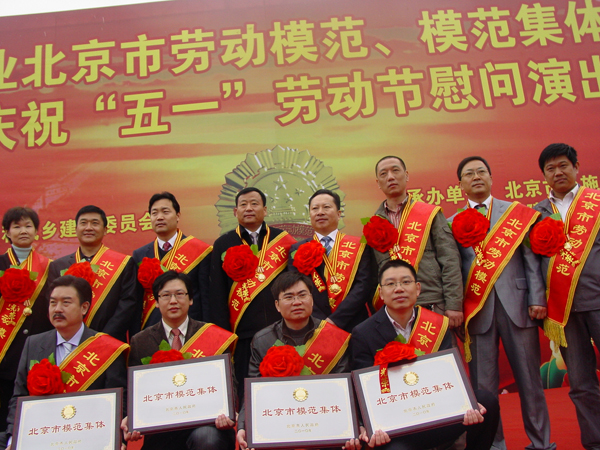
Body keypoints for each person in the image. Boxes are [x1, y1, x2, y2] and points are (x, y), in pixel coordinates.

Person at [449, 156, 554, 450]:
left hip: (519, 308)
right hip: (477, 312)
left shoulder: (517, 214)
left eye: (481, 171)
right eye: (469, 174)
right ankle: (495, 445)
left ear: (491, 177)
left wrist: (537, 297)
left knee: (530, 382)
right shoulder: (451, 223)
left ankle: (541, 443)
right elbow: (454, 271)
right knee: (484, 389)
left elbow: (531, 259)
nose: (476, 177)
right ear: (460, 184)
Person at [351, 259, 499, 450]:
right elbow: (364, 390)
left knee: (486, 402)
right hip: (396, 424)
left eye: (406, 282)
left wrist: (466, 403)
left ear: (418, 288)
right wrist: (370, 425)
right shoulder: (363, 333)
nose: (399, 289)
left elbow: (449, 376)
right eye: (391, 284)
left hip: (436, 412)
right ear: (381, 292)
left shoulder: (437, 324)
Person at [4, 275, 129, 449]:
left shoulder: (107, 348)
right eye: (53, 303)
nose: (57, 309)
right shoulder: (33, 344)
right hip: (43, 436)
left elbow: (118, 403)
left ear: (84, 307)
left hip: (89, 438)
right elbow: (18, 398)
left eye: (66, 303)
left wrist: (117, 440)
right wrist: (13, 440)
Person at [236, 271, 353, 450]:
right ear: (277, 305)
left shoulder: (334, 337)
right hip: (281, 421)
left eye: (302, 295)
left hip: (323, 420)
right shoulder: (262, 340)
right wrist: (243, 426)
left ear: (312, 300)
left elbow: (342, 391)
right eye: (289, 297)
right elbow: (253, 391)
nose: (297, 302)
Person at [123, 271, 237, 450]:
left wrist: (228, 411)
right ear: (156, 302)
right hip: (162, 429)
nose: (173, 301)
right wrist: (132, 418)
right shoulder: (140, 342)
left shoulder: (212, 336)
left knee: (206, 438)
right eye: (166, 295)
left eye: (179, 294)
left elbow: (230, 384)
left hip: (207, 425)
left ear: (191, 299)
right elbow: (135, 391)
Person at [534, 143, 600, 450]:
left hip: (598, 300)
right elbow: (533, 263)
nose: (558, 172)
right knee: (581, 383)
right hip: (564, 312)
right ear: (544, 175)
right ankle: (595, 441)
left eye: (563, 165)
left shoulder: (595, 203)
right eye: (551, 168)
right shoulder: (537, 213)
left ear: (576, 168)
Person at [209, 187, 296, 403]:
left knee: (286, 387)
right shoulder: (223, 243)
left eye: (254, 203)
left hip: (281, 330)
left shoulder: (283, 240)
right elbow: (217, 294)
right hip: (243, 333)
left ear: (265, 210)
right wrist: (224, 336)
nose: (249, 208)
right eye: (243, 204)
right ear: (235, 211)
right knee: (248, 392)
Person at [372, 156, 463, 328]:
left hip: (432, 302)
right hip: (393, 309)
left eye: (395, 171)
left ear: (406, 175)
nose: (390, 177)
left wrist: (453, 304)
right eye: (384, 174)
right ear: (378, 182)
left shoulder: (429, 214)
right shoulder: (373, 223)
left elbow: (450, 259)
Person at [289, 189, 376, 332]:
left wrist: (335, 320)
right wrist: (319, 321)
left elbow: (363, 286)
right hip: (313, 326)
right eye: (315, 208)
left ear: (339, 213)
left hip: (354, 324)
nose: (320, 212)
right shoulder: (297, 249)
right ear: (309, 214)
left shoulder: (359, 246)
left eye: (326, 207)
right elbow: (296, 288)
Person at [0, 207, 53, 440]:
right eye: (17, 226)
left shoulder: (49, 267)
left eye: (28, 226)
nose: (23, 231)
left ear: (36, 231)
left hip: (37, 350)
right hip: (4, 353)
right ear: (6, 232)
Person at [47, 205, 137, 342]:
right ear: (76, 229)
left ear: (105, 230)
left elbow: (127, 305)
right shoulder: (58, 266)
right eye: (83, 223)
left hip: (110, 342)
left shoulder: (124, 263)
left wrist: (104, 338)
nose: (88, 228)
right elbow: (52, 304)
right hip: (68, 342)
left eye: (95, 223)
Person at [133, 192, 212, 331]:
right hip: (152, 329)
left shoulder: (200, 251)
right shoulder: (140, 255)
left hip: (191, 329)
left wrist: (206, 331)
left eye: (165, 212)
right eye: (154, 213)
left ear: (178, 216)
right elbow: (137, 301)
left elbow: (206, 299)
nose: (159, 217)